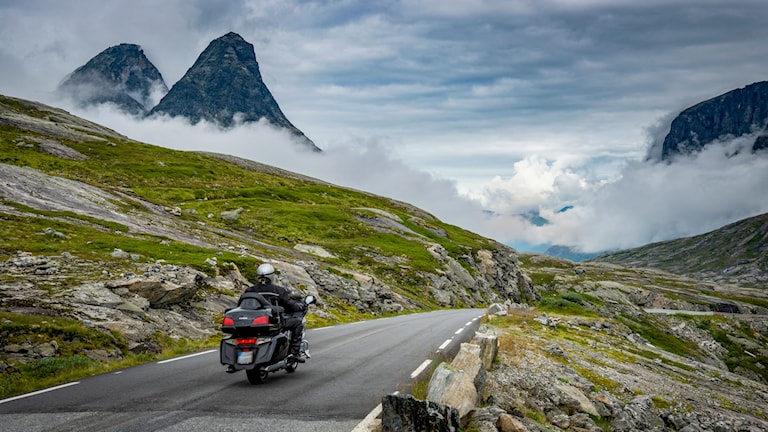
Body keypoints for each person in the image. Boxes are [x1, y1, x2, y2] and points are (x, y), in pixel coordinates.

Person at [242, 263, 307, 362]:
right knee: (297, 323)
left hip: (253, 323)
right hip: (274, 322)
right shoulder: (278, 290)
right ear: (271, 276)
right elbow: (289, 303)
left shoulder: (250, 290)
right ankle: (294, 353)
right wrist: (298, 306)